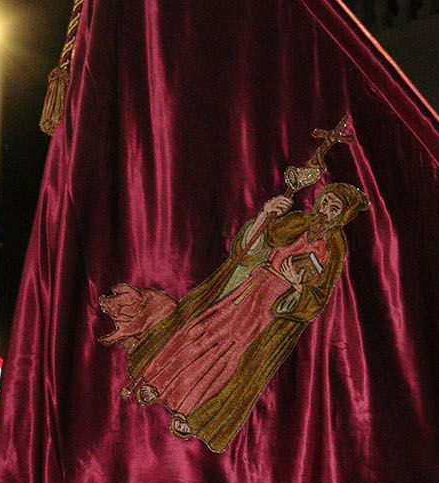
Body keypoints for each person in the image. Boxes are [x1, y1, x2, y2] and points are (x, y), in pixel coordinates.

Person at [100, 182, 370, 451]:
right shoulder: (298, 220)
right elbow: (254, 247)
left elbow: (318, 299)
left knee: (231, 355)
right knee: (204, 329)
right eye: (325, 202)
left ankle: (189, 408)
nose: (325, 210)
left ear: (343, 215)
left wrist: (297, 287)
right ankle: (157, 383)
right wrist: (265, 215)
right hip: (251, 286)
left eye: (334, 208)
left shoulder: (335, 248)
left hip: (272, 309)